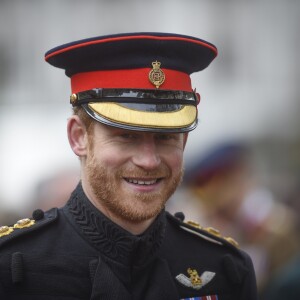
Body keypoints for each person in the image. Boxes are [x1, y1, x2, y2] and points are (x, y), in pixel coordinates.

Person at [0, 32, 258, 300]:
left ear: (184, 141)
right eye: (126, 136)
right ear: (78, 137)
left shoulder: (225, 270)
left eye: (165, 137)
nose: (148, 161)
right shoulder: (12, 269)